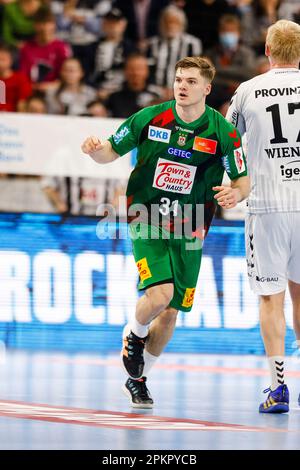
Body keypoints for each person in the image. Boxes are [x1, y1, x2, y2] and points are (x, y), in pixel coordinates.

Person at [82, 56, 249, 408]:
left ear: (206, 88)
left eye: (190, 81)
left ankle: (137, 379)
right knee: (158, 296)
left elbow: (242, 180)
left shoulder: (222, 132)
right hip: (147, 217)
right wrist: (96, 151)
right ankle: (134, 332)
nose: (182, 86)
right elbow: (110, 152)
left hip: (191, 225)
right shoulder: (149, 118)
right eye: (178, 79)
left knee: (172, 312)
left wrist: (236, 193)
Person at [226, 19, 300, 414]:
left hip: (267, 205)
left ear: (267, 52)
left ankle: (278, 387)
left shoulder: (248, 90)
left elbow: (225, 140)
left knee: (272, 299)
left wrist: (229, 185)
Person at [106, 53, 162, 118]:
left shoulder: (156, 95)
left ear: (147, 71)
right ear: (125, 71)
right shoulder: (113, 95)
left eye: (139, 69)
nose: (135, 73)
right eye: (131, 69)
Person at [0, 43, 32, 112]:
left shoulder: (20, 79)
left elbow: (22, 103)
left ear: (11, 60)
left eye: (3, 59)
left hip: (13, 117)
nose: (0, 63)